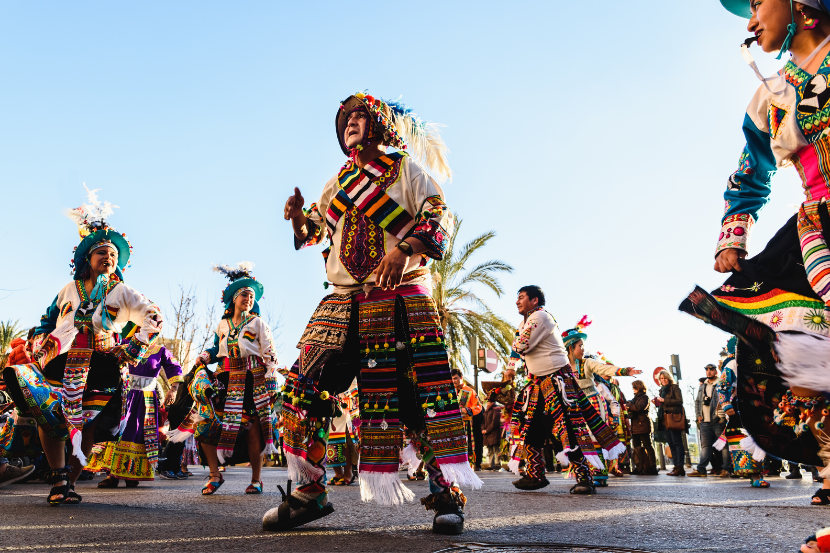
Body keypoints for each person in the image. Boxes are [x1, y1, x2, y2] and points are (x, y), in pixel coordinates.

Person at [264, 91, 478, 535]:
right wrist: (299, 219)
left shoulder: (407, 171)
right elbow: (316, 233)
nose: (349, 125)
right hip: (342, 300)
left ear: (379, 125)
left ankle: (444, 495)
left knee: (417, 401)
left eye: (358, 117)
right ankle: (309, 492)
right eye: (344, 121)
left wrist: (405, 248)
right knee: (301, 392)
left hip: (398, 300)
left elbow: (437, 215)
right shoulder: (338, 183)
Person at [677, 0, 830, 509]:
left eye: (758, 3)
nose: (749, 22)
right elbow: (750, 173)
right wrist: (732, 236)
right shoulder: (770, 96)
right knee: (793, 346)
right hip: (817, 233)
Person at [1, 186, 163, 505]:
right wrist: (35, 344)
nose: (109, 257)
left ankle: (69, 482)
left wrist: (131, 347)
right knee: (51, 414)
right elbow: (47, 322)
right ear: (87, 258)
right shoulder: (68, 290)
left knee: (86, 425)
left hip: (101, 365)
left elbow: (154, 317)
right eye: (102, 251)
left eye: (113, 254)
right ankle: (59, 474)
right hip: (59, 360)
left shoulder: (121, 291)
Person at [507, 285, 628, 495]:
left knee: (568, 429)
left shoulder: (541, 317)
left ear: (535, 301)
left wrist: (515, 351)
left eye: (522, 297)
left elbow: (521, 346)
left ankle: (585, 477)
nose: (517, 301)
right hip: (538, 384)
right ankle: (535, 474)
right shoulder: (524, 322)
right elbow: (517, 348)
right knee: (532, 428)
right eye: (517, 298)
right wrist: (510, 367)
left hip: (557, 382)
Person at [181, 262, 279, 496]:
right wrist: (205, 355)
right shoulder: (223, 325)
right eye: (244, 294)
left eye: (252, 295)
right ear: (234, 298)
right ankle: (215, 475)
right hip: (225, 378)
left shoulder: (258, 323)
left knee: (253, 430)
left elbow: (270, 353)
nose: (248, 298)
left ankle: (256, 480)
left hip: (251, 380)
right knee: (205, 424)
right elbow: (218, 349)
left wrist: (271, 380)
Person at [86, 331, 182, 487]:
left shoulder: (160, 351)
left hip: (146, 401)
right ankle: (112, 475)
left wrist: (174, 389)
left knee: (138, 435)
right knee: (117, 432)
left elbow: (174, 367)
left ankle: (133, 474)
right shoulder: (125, 344)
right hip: (124, 396)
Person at [562, 318, 641, 487]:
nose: (583, 349)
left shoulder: (588, 363)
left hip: (593, 404)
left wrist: (625, 371)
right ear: (570, 347)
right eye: (580, 346)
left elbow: (604, 369)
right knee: (578, 439)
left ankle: (599, 474)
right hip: (574, 406)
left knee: (595, 437)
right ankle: (584, 473)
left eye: (583, 346)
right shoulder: (563, 367)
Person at [714, 338, 770, 488]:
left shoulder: (757, 362)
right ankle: (755, 475)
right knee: (745, 439)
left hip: (759, 405)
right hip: (739, 406)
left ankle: (758, 473)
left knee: (760, 438)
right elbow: (722, 385)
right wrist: (726, 404)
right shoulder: (733, 364)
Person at [689, 364, 728, 477]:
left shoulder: (720, 384)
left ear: (716, 371)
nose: (709, 371)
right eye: (707, 369)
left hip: (718, 419)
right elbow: (697, 402)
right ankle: (701, 470)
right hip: (704, 421)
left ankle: (726, 469)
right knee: (706, 446)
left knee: (723, 445)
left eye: (711, 369)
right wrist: (698, 415)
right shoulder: (703, 386)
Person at [653, 370, 686, 476]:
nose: (663, 380)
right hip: (664, 419)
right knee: (671, 443)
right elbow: (663, 404)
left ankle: (680, 467)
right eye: (661, 379)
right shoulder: (662, 390)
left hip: (673, 417)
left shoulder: (674, 388)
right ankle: (676, 467)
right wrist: (657, 403)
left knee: (677, 443)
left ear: (669, 378)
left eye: (665, 378)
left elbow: (679, 401)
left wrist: (664, 401)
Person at [452, 369, 483, 470]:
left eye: (456, 378)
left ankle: (474, 464)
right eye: (452, 379)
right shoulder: (451, 392)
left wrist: (468, 409)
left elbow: (478, 407)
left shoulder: (469, 391)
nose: (454, 381)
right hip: (455, 425)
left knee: (470, 446)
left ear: (461, 378)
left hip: (468, 425)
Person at [626, 380, 657, 475]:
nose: (633, 389)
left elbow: (638, 407)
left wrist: (628, 406)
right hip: (635, 426)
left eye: (634, 387)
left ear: (639, 387)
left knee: (648, 446)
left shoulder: (645, 397)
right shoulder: (634, 399)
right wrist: (630, 405)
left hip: (643, 425)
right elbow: (633, 408)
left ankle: (652, 467)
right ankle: (639, 467)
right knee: (636, 447)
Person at [481, 394, 503, 470]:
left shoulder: (496, 409)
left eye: (489, 401)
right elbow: (483, 422)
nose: (487, 403)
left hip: (494, 433)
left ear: (492, 402)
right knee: (490, 450)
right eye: (487, 401)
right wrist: (483, 429)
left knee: (496, 450)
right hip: (487, 434)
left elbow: (494, 422)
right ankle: (491, 465)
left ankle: (497, 465)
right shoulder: (486, 411)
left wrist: (487, 430)